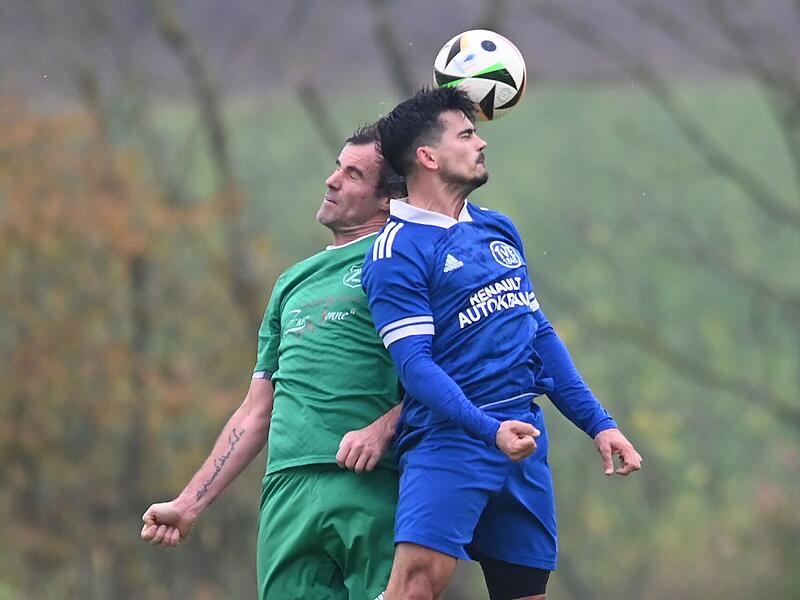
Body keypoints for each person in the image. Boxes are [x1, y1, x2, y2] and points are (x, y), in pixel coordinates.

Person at [361, 87, 643, 600]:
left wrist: (600, 424)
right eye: (467, 134)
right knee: (415, 588)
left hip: (523, 439)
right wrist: (487, 430)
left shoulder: (498, 228)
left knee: (524, 594)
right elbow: (416, 368)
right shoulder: (395, 251)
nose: (482, 143)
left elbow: (540, 338)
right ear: (428, 157)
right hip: (452, 440)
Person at [141, 124, 407, 600]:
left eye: (353, 174)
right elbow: (256, 410)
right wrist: (189, 503)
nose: (331, 180)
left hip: (370, 483)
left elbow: (455, 368)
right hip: (286, 489)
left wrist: (385, 427)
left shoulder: (399, 259)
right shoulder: (291, 282)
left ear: (387, 198)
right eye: (336, 167)